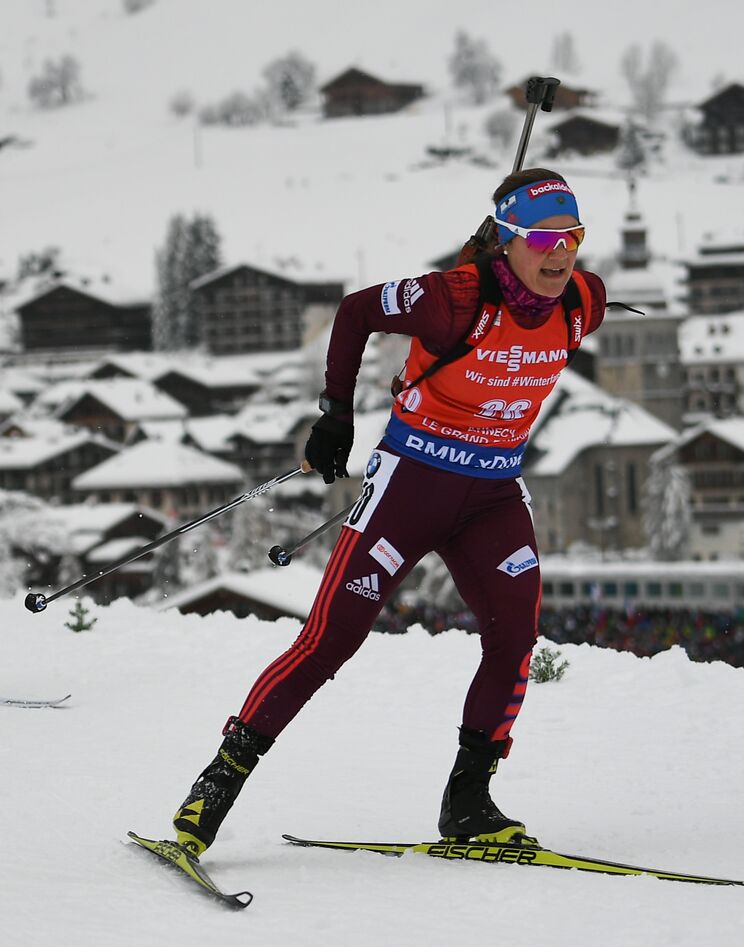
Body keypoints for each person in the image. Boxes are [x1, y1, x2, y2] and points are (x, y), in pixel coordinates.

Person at [170, 168, 606, 855]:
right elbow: (355, 310)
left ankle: (468, 802)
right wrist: (335, 414)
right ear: (506, 240)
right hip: (411, 488)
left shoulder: (584, 300)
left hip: (492, 494)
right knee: (329, 640)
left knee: (515, 637)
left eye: (572, 236)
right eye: (544, 237)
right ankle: (216, 784)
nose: (560, 253)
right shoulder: (454, 297)